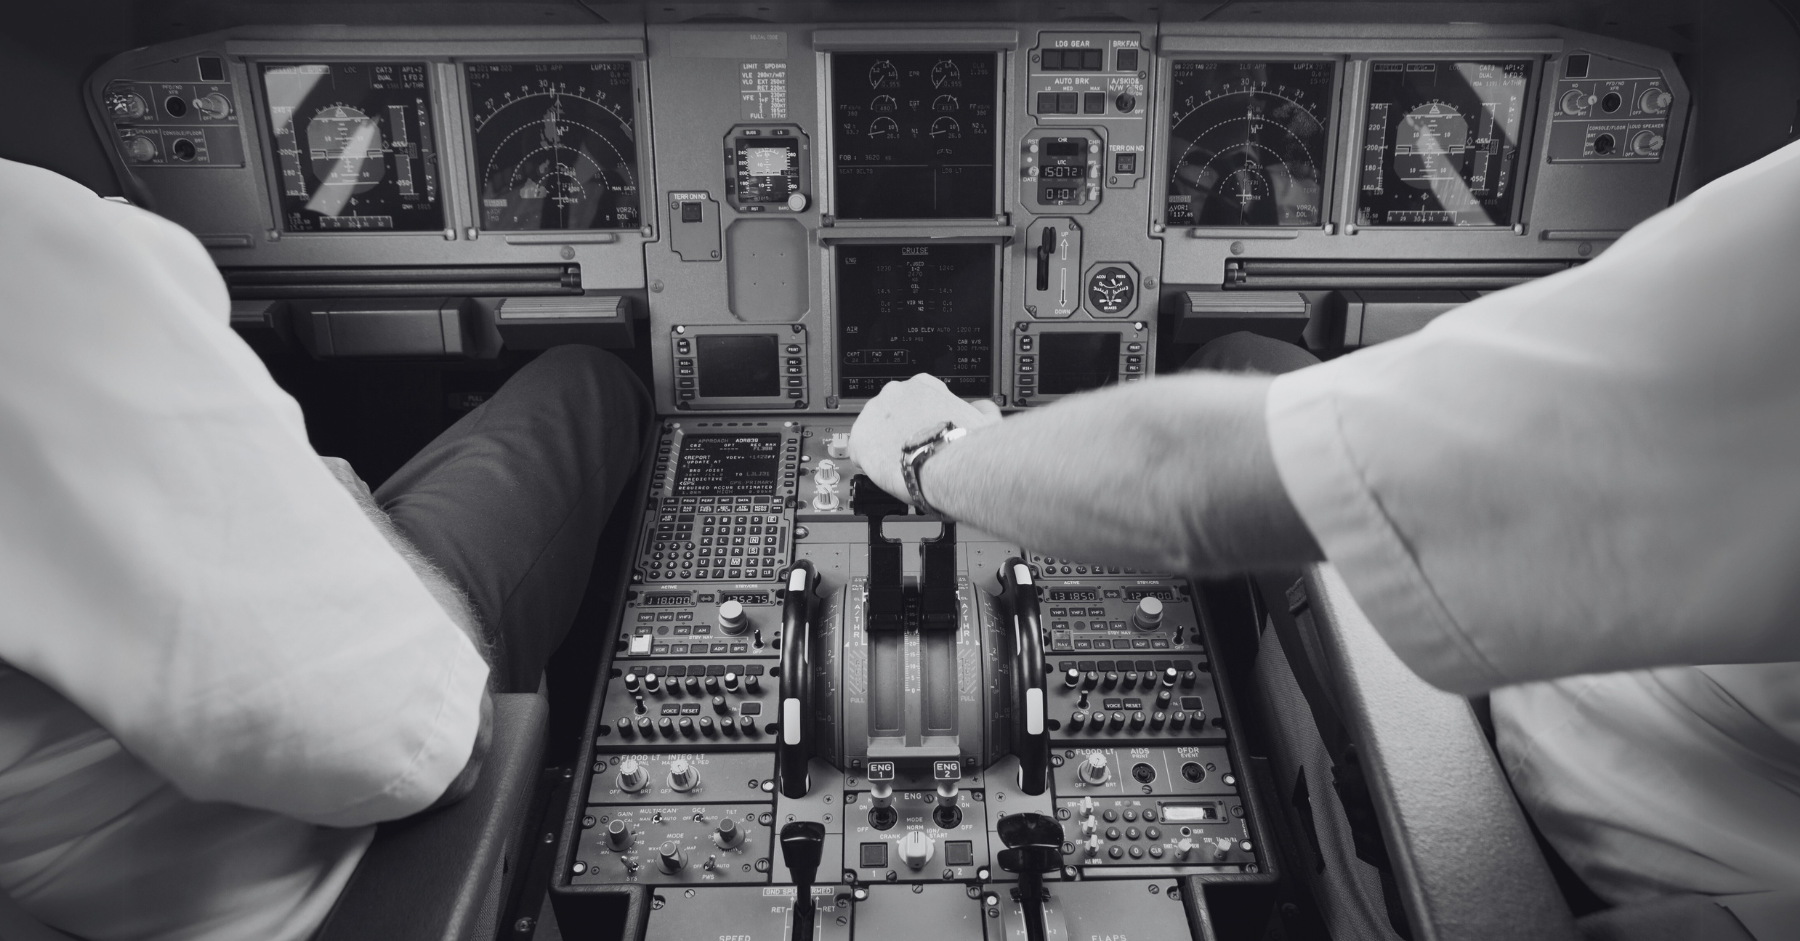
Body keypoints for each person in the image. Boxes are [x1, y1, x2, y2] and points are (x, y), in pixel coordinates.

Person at [851, 141, 1800, 928]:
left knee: (1240, 384)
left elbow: (1187, 472)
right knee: (1249, 364)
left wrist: (936, 454)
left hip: (1566, 839)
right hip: (1740, 819)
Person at [0, 158, 649, 939]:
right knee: (586, 379)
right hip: (312, 889)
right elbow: (434, 743)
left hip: (58, 879)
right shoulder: (26, 253)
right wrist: (342, 500)